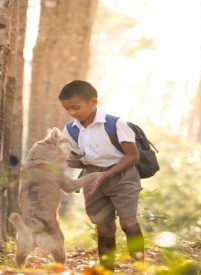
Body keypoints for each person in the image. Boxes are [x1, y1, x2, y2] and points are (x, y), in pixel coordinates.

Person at [58, 80, 145, 271]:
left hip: (122, 176)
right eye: (67, 109)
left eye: (75, 107)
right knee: (104, 226)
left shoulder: (115, 124)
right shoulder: (71, 129)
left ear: (94, 102)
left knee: (128, 222)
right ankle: (106, 269)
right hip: (92, 178)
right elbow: (81, 160)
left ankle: (139, 267)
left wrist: (103, 177)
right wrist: (58, 162)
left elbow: (132, 156)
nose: (72, 112)